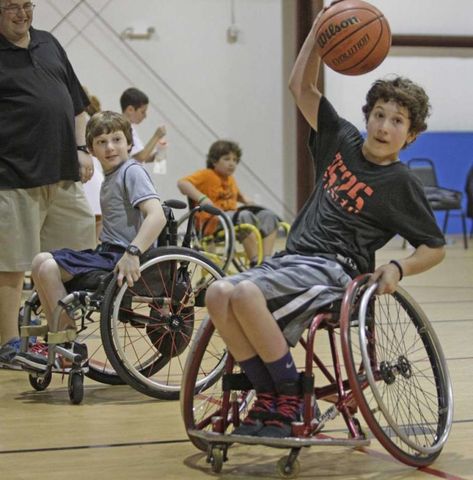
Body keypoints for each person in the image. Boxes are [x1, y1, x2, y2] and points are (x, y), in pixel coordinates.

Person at [204, 11, 446, 439]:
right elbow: (302, 86)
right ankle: (269, 396)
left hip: (335, 272)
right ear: (367, 116)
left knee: (243, 292)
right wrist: (318, 35)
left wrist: (398, 268)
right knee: (219, 292)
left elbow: (433, 246)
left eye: (397, 121)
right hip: (292, 260)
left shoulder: (400, 183)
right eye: (379, 114)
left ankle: (292, 397)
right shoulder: (342, 139)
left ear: (410, 136)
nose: (384, 125)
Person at [14, 111, 167, 371]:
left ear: (129, 143)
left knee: (47, 265)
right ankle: (62, 339)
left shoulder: (132, 172)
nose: (110, 147)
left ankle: (67, 344)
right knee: (41, 261)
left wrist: (132, 252)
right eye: (101, 142)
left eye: (116, 139)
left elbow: (157, 215)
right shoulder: (112, 177)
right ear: (92, 151)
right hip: (107, 252)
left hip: (122, 257)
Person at [0, 1, 96, 363]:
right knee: (10, 264)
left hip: (63, 173)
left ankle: (61, 334)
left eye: (27, 5)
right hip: (12, 176)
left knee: (76, 258)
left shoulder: (48, 42)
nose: (22, 13)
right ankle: (8, 343)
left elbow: (77, 105)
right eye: (12, 7)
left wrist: (82, 148)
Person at [177, 140, 280, 266]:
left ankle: (266, 260)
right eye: (227, 159)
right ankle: (255, 262)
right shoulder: (206, 174)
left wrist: (247, 201)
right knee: (244, 217)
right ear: (214, 161)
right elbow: (182, 183)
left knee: (268, 216)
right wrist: (202, 198)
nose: (232, 164)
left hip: (232, 218)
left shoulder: (230, 179)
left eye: (235, 160)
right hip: (212, 221)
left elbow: (238, 196)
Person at [82, 86, 105, 243]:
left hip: (88, 173)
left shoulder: (82, 118)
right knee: (97, 221)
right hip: (94, 172)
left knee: (93, 221)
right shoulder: (91, 119)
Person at [119, 87, 167, 164]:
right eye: (142, 112)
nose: (145, 116)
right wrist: (157, 136)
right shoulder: (123, 128)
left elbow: (137, 156)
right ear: (130, 110)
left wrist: (155, 156)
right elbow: (140, 157)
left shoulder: (130, 128)